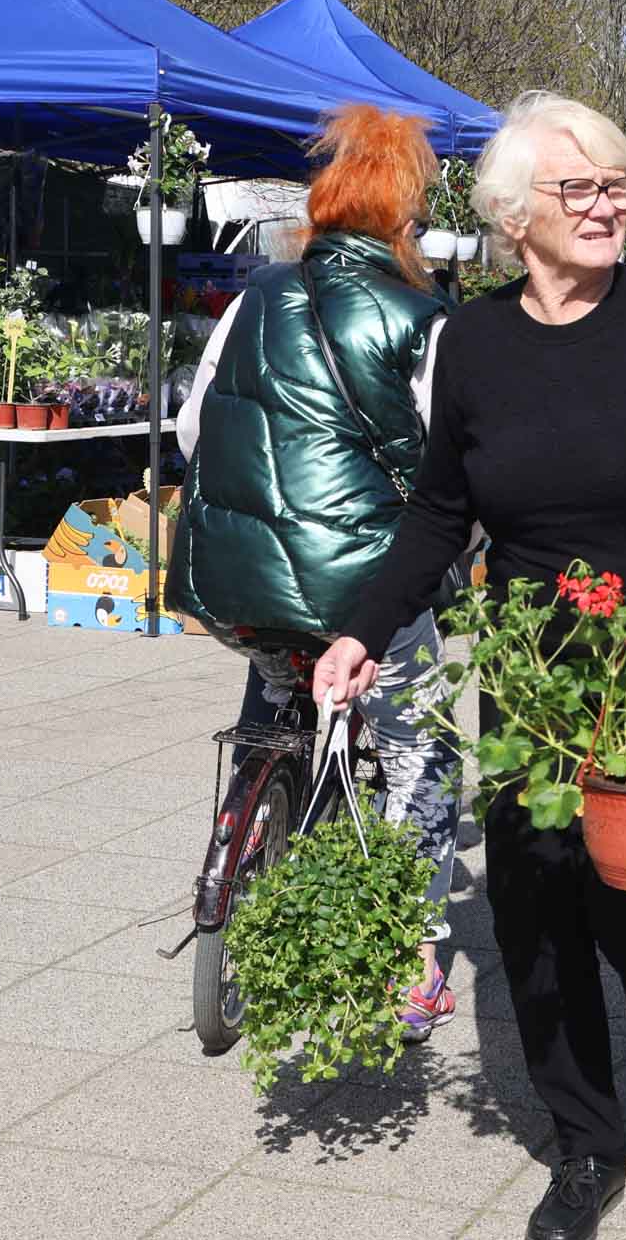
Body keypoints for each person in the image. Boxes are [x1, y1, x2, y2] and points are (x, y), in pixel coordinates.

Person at [313, 92, 626, 1240]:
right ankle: (584, 1142)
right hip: (535, 653)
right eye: (581, 188)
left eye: (620, 183)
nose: (609, 203)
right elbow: (439, 510)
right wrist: (363, 628)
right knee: (529, 890)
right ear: (518, 215)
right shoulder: (471, 337)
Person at [168, 104, 465, 1043]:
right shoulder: (424, 318)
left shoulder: (256, 298)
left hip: (229, 575)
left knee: (271, 686)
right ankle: (413, 959)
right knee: (418, 750)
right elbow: (449, 467)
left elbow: (188, 428)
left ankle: (245, 823)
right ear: (402, 223)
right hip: (359, 590)